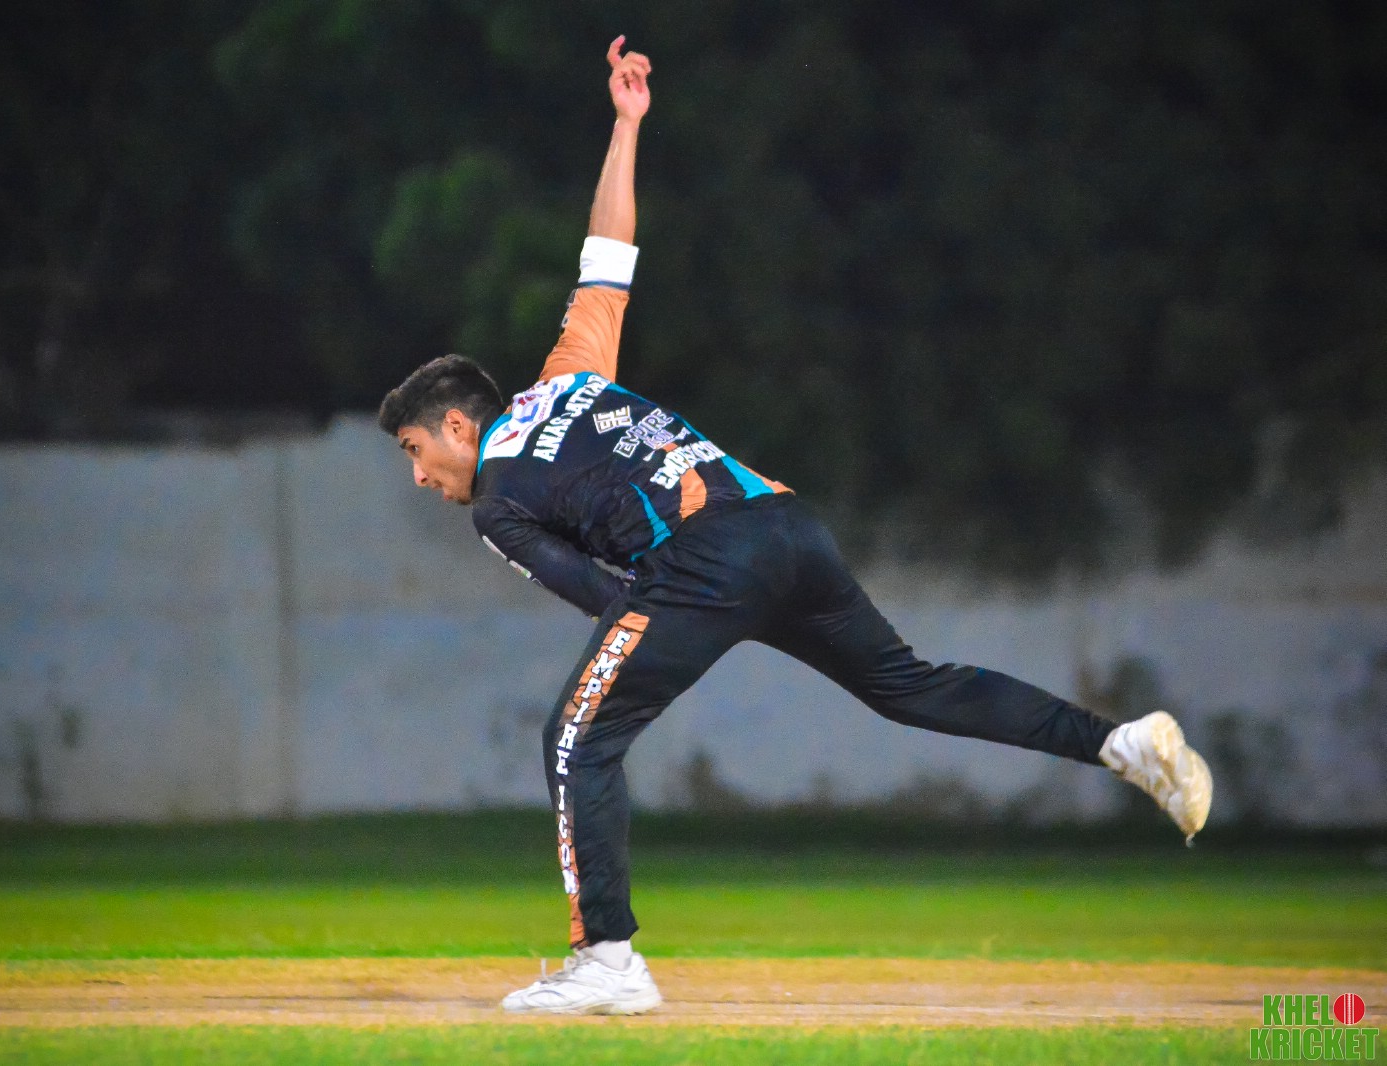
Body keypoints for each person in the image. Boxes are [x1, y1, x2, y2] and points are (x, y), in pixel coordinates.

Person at [376, 37, 1212, 1017]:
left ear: (458, 426)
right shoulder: (569, 373)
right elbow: (609, 253)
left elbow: (602, 597)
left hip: (700, 563)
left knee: (575, 739)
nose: (420, 476)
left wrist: (671, 628)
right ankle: (1123, 744)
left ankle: (608, 960)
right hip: (784, 526)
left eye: (415, 450)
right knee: (909, 685)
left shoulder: (496, 497)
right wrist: (626, 125)